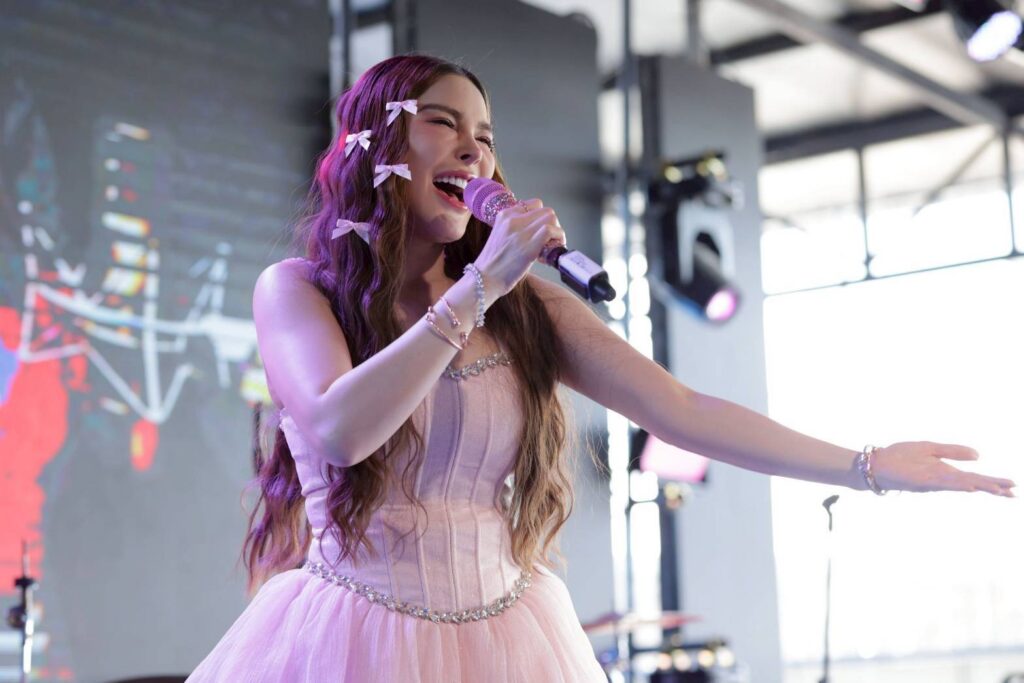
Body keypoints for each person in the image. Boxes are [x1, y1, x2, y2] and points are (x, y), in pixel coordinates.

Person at [185, 54, 1016, 682]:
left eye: (486, 137)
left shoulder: (527, 309)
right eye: (443, 123)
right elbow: (340, 428)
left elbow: (683, 409)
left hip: (510, 636)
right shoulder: (299, 291)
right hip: (351, 640)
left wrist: (866, 465)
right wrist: (479, 286)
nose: (473, 150)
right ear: (378, 144)